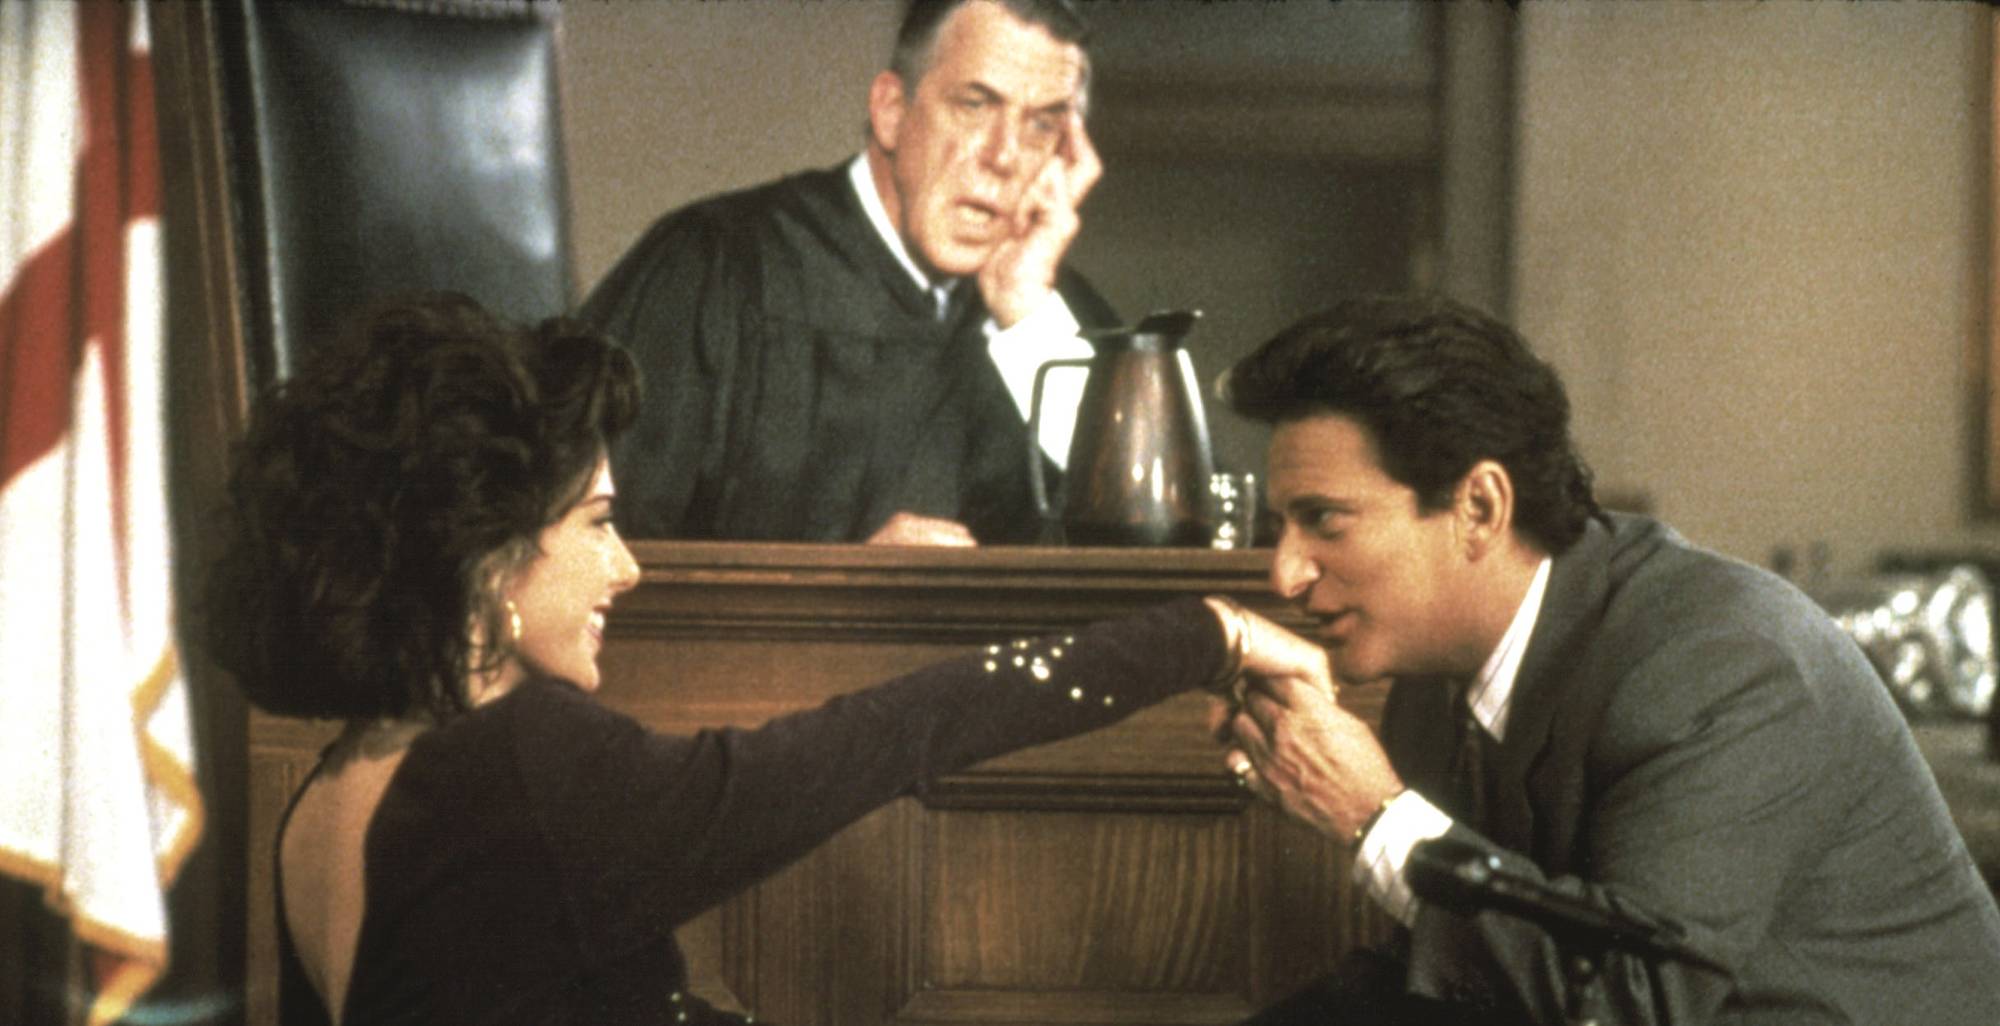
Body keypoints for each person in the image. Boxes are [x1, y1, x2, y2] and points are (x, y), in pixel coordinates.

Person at [202, 292, 1329, 1026]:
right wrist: (1204, 632)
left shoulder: (334, 785)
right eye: (598, 523)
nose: (626, 568)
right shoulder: (519, 768)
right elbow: (888, 737)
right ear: (487, 552)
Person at [1210, 294, 2000, 1025]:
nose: (1285, 573)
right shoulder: (1431, 678)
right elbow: (1443, 981)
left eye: (1323, 520)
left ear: (1479, 507)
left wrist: (1374, 817)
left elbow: (1632, 1002)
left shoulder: (1720, 661)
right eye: (1281, 526)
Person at [578, 0, 1112, 547]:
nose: (1004, 156)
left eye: (1041, 125)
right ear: (891, 111)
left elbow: (1140, 564)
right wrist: (848, 587)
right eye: (974, 106)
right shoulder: (716, 268)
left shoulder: (1054, 320)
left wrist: (1026, 313)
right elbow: (575, 554)